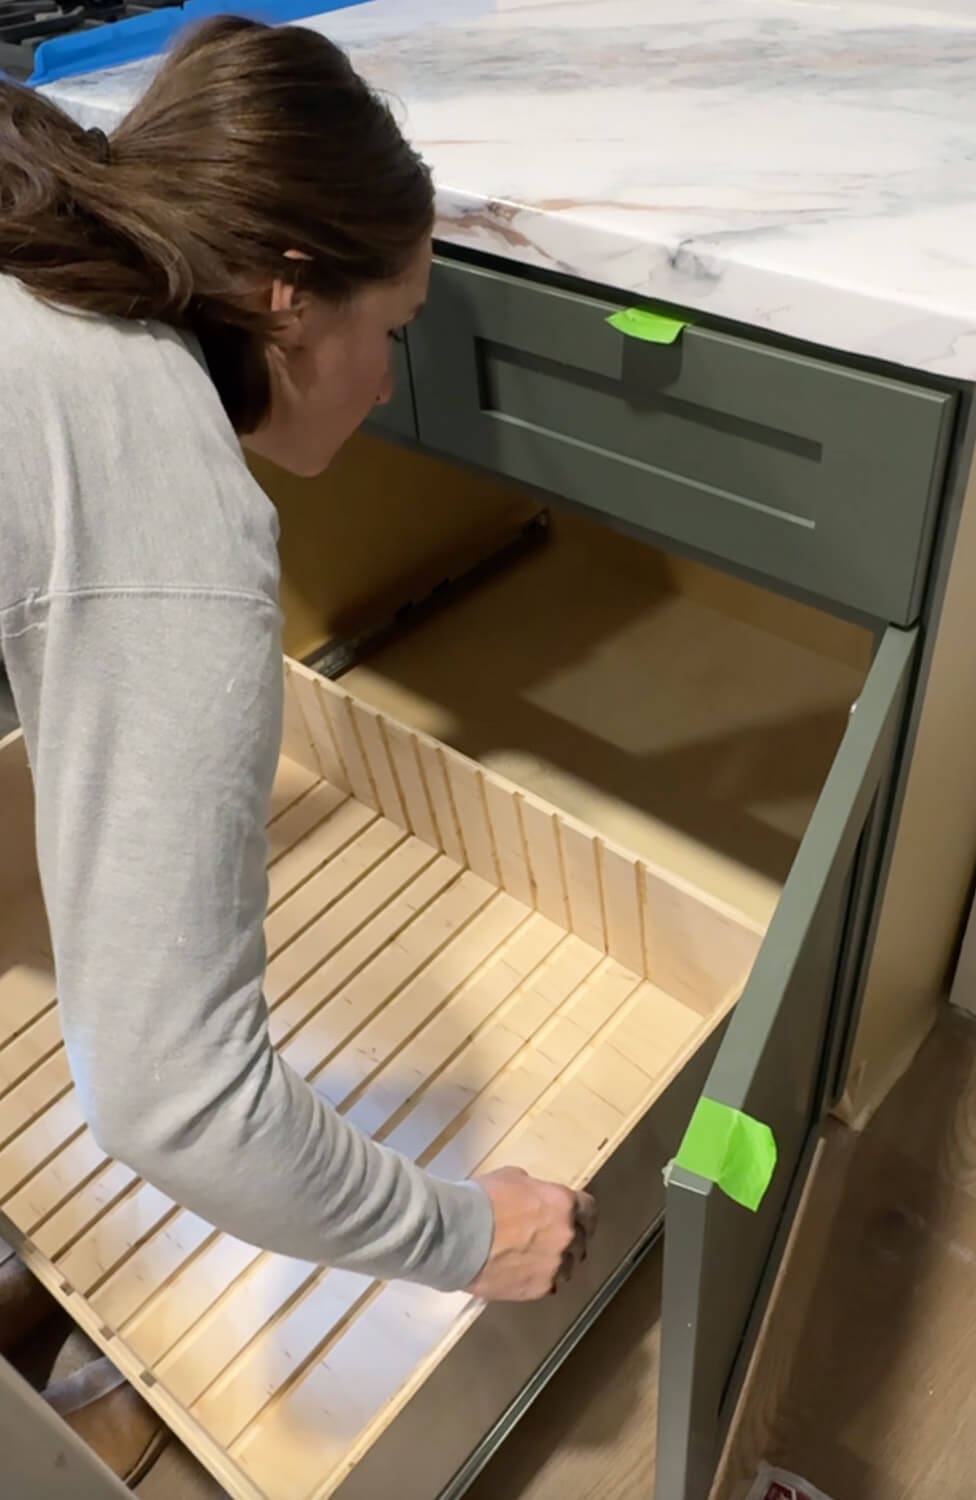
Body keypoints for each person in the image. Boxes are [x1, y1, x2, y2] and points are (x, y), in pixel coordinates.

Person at [0, 16, 596, 1484]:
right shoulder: (171, 516)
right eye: (392, 328)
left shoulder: (46, 188)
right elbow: (174, 1101)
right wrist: (467, 1234)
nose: (390, 381)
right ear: (284, 295)